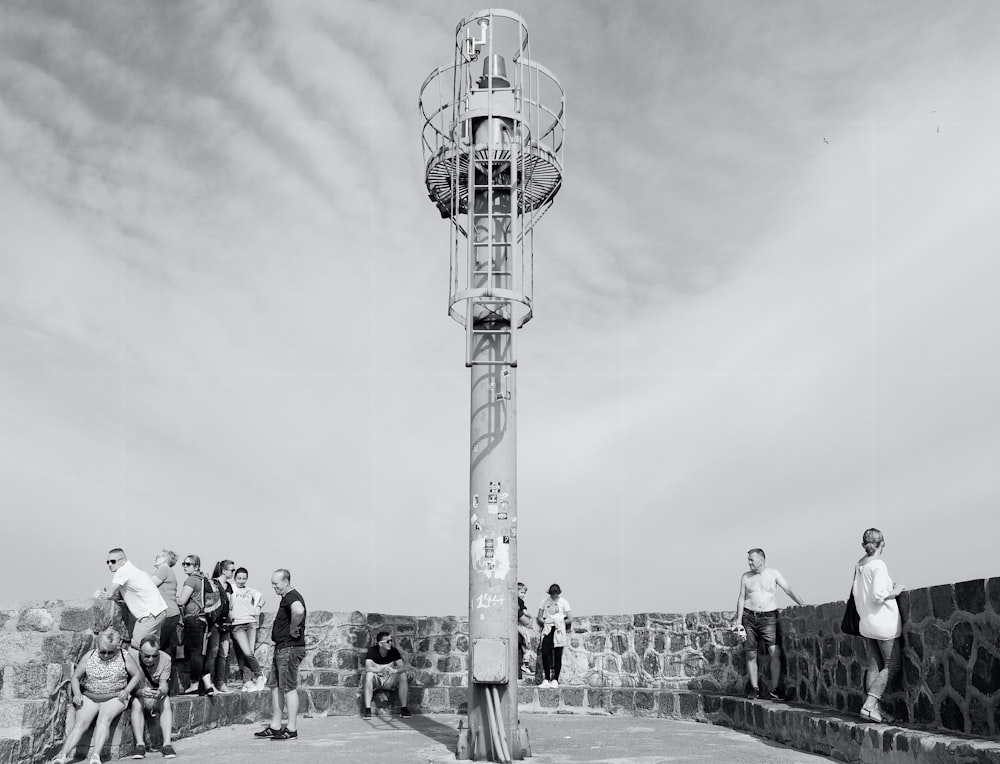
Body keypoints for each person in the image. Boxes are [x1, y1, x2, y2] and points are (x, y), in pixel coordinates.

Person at [52, 628, 141, 764]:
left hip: (115, 696)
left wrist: (127, 690)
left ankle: (95, 755)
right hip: (90, 695)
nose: (105, 655)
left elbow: (137, 675)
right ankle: (62, 755)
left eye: (110, 652)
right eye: (102, 651)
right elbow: (76, 677)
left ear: (117, 648)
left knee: (104, 720)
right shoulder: (90, 655)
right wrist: (77, 693)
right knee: (80, 724)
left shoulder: (124, 656)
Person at [734, 548, 805, 700]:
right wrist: (738, 621)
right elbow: (741, 598)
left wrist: (802, 605)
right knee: (751, 653)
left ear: (762, 560)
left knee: (775, 652)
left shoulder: (773, 573)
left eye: (752, 559)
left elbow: (788, 589)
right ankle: (754, 688)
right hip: (749, 616)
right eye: (749, 560)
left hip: (769, 617)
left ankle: (776, 689)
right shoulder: (746, 577)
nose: (749, 562)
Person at [854, 528, 904, 723]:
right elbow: (878, 595)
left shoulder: (859, 564)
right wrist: (896, 590)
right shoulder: (878, 565)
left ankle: (876, 709)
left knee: (874, 664)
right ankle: (869, 705)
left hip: (866, 621)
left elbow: (857, 593)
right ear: (882, 543)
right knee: (892, 665)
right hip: (883, 623)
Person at [253, 569, 306, 741]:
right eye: (272, 583)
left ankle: (291, 729)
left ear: (286, 581)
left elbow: (298, 611)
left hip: (290, 648)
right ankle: (276, 726)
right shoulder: (286, 597)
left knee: (289, 687)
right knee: (275, 687)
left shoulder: (292, 596)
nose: (273, 586)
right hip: (282, 648)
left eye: (276, 583)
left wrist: (292, 628)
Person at [98, 549, 167, 650]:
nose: (109, 564)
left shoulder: (122, 571)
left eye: (113, 561)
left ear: (122, 561)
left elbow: (109, 594)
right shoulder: (134, 570)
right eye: (107, 562)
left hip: (150, 614)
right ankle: (163, 665)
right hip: (159, 611)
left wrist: (99, 594)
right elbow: (120, 596)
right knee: (152, 647)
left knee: (136, 646)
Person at [175, 554, 221, 695]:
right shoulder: (203, 580)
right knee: (201, 652)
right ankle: (205, 684)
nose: (184, 566)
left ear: (196, 566)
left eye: (188, 564)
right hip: (203, 620)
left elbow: (182, 601)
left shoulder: (191, 580)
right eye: (183, 563)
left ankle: (195, 683)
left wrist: (168, 597)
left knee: (196, 653)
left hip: (193, 618)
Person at [127, 635, 177, 759]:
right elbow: (126, 686)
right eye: (147, 656)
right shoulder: (130, 658)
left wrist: (161, 692)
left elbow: (164, 685)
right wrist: (139, 692)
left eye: (155, 656)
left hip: (154, 694)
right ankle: (140, 745)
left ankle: (167, 744)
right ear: (140, 652)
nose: (150, 659)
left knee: (165, 701)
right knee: (136, 703)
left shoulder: (165, 659)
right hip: (138, 693)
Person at [229, 566, 267, 691]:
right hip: (237, 625)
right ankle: (259, 674)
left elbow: (262, 598)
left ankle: (247, 682)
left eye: (244, 579)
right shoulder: (231, 588)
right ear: (235, 578)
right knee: (247, 652)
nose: (241, 581)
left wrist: (258, 607)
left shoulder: (251, 591)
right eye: (239, 578)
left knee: (248, 653)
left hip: (251, 624)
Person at [150, 549, 181, 694]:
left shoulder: (164, 569)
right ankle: (170, 689)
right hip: (173, 613)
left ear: (166, 559)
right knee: (168, 652)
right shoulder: (169, 571)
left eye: (159, 556)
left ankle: (155, 685)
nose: (156, 557)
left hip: (167, 614)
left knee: (157, 649)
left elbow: (149, 586)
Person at [362, 631, 411, 719]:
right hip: (377, 680)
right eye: (388, 641)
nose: (390, 643)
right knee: (369, 675)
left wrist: (394, 670)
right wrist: (380, 669)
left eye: (391, 640)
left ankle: (404, 709)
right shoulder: (372, 650)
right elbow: (367, 667)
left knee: (402, 674)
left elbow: (402, 667)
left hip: (389, 680)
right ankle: (368, 709)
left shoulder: (394, 651)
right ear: (380, 644)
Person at [536, 583, 572, 688]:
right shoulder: (545, 601)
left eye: (555, 595)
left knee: (557, 654)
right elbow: (539, 616)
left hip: (559, 629)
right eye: (552, 594)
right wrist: (546, 622)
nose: (554, 597)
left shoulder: (564, 602)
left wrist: (560, 623)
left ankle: (555, 679)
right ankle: (546, 678)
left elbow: (570, 618)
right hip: (548, 628)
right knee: (545, 653)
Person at [210, 560, 236, 693]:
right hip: (215, 623)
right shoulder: (213, 583)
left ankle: (220, 682)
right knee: (213, 653)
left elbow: (230, 605)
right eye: (232, 570)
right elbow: (211, 604)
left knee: (223, 654)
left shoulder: (229, 586)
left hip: (226, 624)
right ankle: (210, 683)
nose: (233, 572)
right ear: (224, 571)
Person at [516, 582, 532, 681]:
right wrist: (529, 616)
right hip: (519, 626)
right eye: (521, 592)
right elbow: (524, 614)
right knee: (527, 643)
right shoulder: (519, 602)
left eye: (524, 593)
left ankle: (523, 665)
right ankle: (525, 664)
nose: (523, 595)